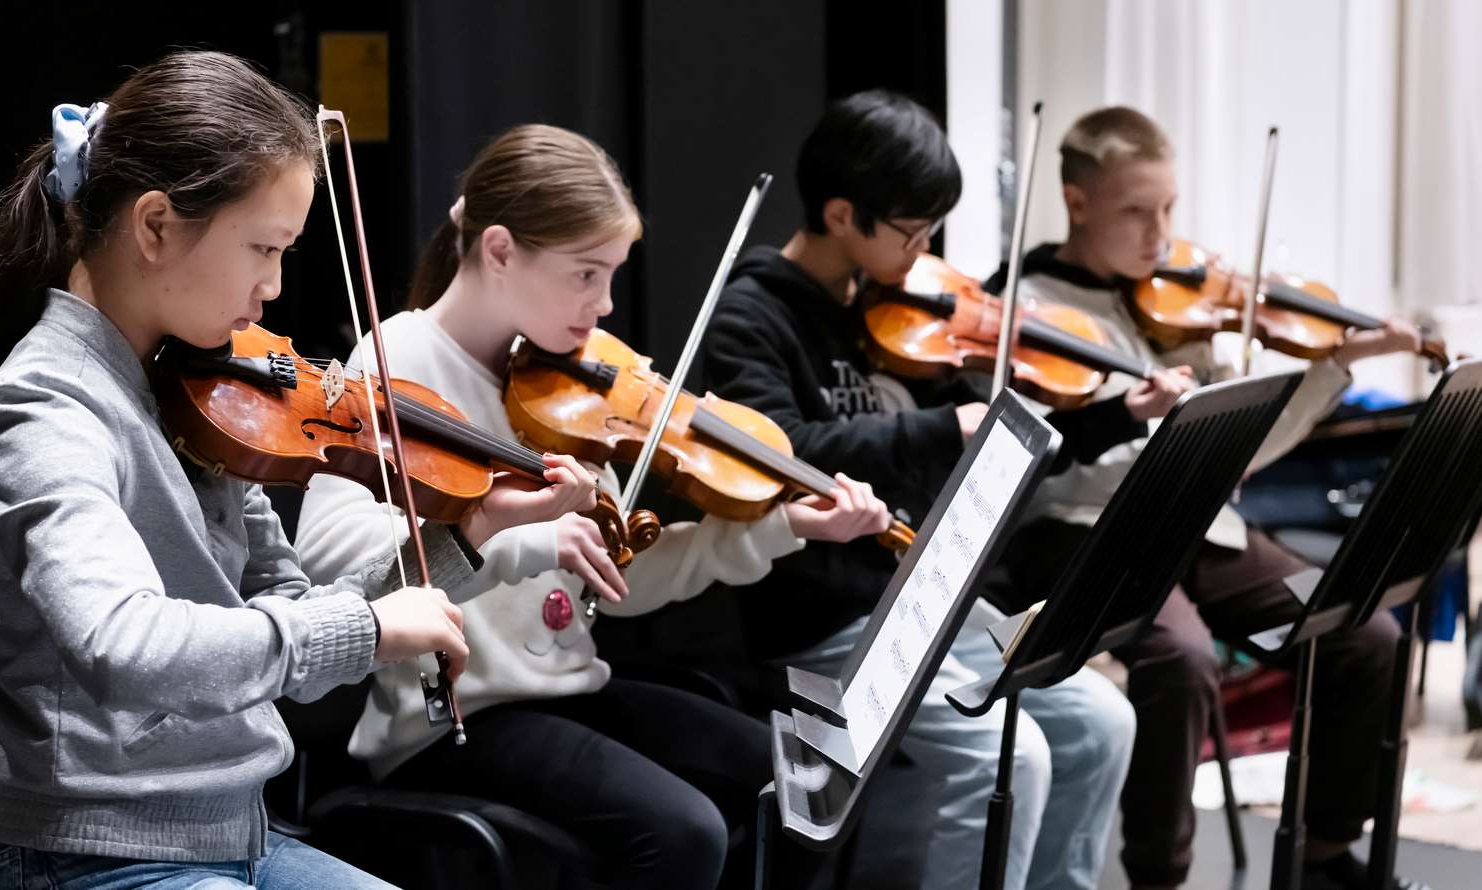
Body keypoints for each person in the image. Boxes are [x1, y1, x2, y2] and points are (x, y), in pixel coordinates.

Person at [0, 50, 585, 890]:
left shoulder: (191, 391)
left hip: (238, 835)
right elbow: (123, 644)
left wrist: (471, 530)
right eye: (263, 248)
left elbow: (293, 616)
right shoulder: (45, 411)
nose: (272, 289)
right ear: (156, 226)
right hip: (90, 859)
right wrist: (370, 632)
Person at [294, 123, 892, 890]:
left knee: (814, 780)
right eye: (586, 274)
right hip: (454, 718)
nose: (604, 305)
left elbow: (622, 575)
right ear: (501, 250)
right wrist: (518, 541)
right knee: (683, 832)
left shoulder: (559, 389)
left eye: (612, 275)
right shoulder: (398, 362)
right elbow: (332, 563)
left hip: (570, 692)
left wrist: (784, 526)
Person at [704, 89, 1147, 890]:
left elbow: (985, 446)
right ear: (843, 216)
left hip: (921, 597)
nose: (928, 249)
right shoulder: (751, 318)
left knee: (1101, 724)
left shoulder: (891, 310)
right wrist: (941, 428)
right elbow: (782, 454)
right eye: (913, 231)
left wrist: (1112, 418)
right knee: (1010, 758)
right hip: (825, 618)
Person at [990, 105, 1426, 890]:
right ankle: (1159, 875)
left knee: (1367, 633)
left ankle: (1324, 857)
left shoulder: (1177, 305)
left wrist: (1327, 364)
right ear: (1076, 201)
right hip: (1090, 532)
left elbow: (1243, 453)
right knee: (1181, 659)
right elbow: (1048, 462)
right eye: (1135, 210)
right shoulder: (1023, 308)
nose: (1159, 233)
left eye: (1168, 210)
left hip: (1205, 529)